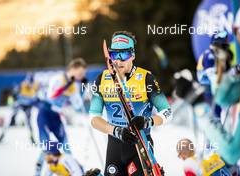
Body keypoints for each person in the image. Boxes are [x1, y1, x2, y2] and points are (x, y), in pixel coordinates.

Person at [89, 31, 172, 175]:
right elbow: (93, 118)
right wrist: (116, 130)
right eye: (115, 55)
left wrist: (147, 121)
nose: (118, 61)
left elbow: (167, 112)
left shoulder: (146, 78)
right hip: (115, 144)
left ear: (133, 55)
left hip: (140, 144)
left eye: (124, 55)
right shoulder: (101, 79)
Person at [196, 1, 240, 175]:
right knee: (215, 126)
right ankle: (212, 160)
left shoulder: (223, 54)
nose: (223, 47)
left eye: (225, 44)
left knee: (223, 126)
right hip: (210, 95)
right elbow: (214, 80)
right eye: (221, 44)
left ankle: (219, 160)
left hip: (219, 95)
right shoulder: (209, 56)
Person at [35, 58, 87, 176]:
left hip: (56, 117)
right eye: (80, 73)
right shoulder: (58, 79)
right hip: (44, 114)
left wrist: (82, 93)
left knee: (65, 144)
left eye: (83, 74)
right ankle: (39, 172)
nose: (81, 76)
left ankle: (74, 171)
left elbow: (77, 105)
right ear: (73, 69)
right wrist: (67, 86)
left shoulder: (74, 86)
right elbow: (51, 96)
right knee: (48, 146)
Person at [10, 73, 39, 143]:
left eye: (31, 83)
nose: (30, 85)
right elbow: (14, 94)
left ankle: (32, 137)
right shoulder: (22, 85)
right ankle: (6, 129)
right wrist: (14, 102)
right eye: (29, 83)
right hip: (20, 104)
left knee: (29, 122)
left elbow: (36, 97)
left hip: (28, 106)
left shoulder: (35, 86)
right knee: (12, 115)